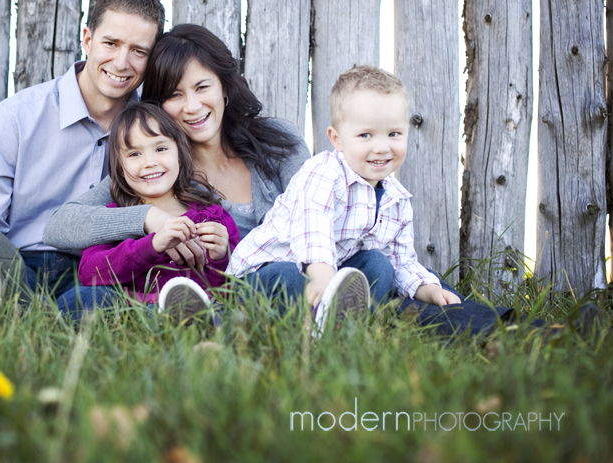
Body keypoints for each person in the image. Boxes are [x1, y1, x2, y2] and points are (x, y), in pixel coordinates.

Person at [226, 65, 599, 337]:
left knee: (378, 264)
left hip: (333, 281)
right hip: (266, 275)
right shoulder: (323, 173)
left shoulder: (396, 199)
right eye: (366, 135)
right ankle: (334, 316)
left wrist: (427, 287)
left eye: (393, 133)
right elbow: (314, 229)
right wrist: (322, 275)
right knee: (294, 275)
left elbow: (402, 259)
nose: (381, 147)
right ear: (336, 139)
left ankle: (339, 322)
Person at [43, 23, 311, 303]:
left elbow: (313, 214)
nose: (192, 106)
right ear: (159, 106)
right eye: (175, 95)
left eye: (202, 87)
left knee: (295, 273)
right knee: (83, 300)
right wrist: (147, 218)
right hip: (189, 302)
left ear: (224, 88)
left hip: (267, 284)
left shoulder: (276, 142)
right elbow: (59, 226)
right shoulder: (154, 172)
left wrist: (225, 253)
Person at [0, 0, 165, 302]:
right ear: (88, 40)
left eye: (138, 51)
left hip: (101, 272)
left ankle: (37, 321)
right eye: (111, 43)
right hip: (20, 262)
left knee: (95, 302)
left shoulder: (155, 129)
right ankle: (21, 306)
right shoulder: (19, 116)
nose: (121, 62)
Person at [64, 102, 240, 320]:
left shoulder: (213, 216)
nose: (150, 162)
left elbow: (232, 285)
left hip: (202, 308)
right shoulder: (115, 217)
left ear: (180, 153)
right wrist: (152, 245)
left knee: (231, 306)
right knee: (78, 299)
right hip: (133, 313)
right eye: (134, 154)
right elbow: (89, 273)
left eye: (161, 149)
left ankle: (197, 326)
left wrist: (221, 257)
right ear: (119, 166)